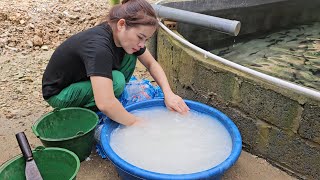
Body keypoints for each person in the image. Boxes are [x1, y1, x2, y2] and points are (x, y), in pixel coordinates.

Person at [42, 0, 190, 126]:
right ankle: (85, 112)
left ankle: (109, 97)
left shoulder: (122, 37)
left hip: (82, 78)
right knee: (117, 81)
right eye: (140, 37)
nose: (142, 44)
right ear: (121, 24)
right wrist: (136, 123)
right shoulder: (99, 48)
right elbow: (105, 104)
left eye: (146, 39)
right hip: (60, 93)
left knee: (132, 55)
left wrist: (168, 94)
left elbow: (152, 64)